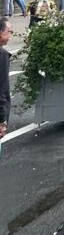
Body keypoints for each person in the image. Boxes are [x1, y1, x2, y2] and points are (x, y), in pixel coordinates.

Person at [0, 20, 12, 155]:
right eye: (9, 32)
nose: (10, 35)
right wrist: (2, 121)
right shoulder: (2, 55)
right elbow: (2, 89)